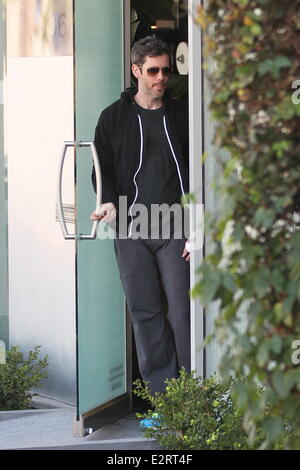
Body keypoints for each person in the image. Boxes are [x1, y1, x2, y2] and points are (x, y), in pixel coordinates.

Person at [90, 35, 190, 397]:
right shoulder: (113, 117)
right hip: (132, 230)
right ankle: (166, 403)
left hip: (176, 227)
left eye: (165, 70)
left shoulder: (182, 114)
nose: (161, 77)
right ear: (137, 71)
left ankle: (194, 398)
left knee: (183, 315)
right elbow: (100, 169)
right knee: (145, 316)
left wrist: (197, 228)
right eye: (153, 71)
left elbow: (199, 172)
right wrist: (107, 201)